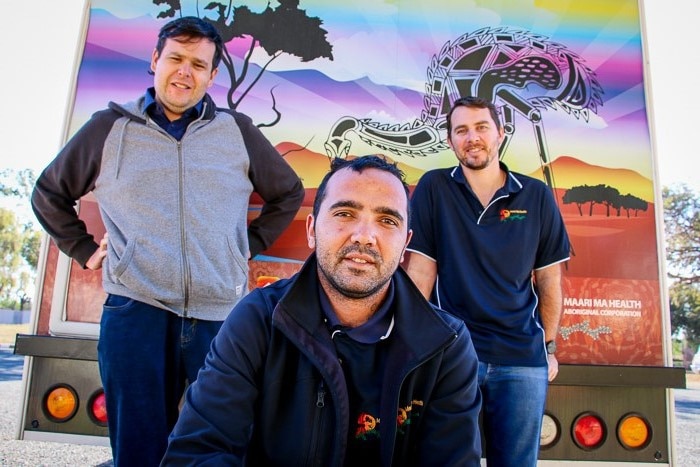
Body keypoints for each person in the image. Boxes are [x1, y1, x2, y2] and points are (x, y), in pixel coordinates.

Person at [31, 16, 304, 467]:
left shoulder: (236, 131)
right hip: (134, 312)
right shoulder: (109, 128)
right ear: (155, 60)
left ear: (212, 75)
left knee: (220, 448)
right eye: (176, 58)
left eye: (199, 64)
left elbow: (288, 192)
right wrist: (82, 248)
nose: (185, 71)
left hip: (219, 318)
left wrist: (244, 245)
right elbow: (49, 194)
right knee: (138, 451)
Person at [161, 155, 482, 466]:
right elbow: (197, 451)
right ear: (311, 229)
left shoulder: (445, 346)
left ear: (405, 244)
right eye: (345, 213)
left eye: (387, 221)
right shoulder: (259, 320)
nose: (365, 236)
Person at [404, 96, 570, 466]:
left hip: (522, 359)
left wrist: (550, 347)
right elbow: (420, 271)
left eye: (481, 127)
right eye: (461, 130)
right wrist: (410, 343)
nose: (472, 137)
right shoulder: (434, 188)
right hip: (455, 354)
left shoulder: (536, 195)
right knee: (444, 459)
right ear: (450, 140)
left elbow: (548, 280)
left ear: (500, 134)